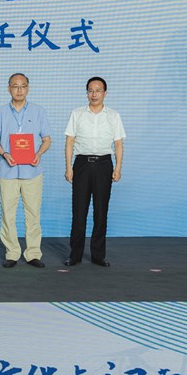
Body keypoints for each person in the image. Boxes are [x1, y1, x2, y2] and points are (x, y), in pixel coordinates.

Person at [0, 73, 52, 268]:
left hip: (32, 171)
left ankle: (33, 253)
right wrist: (5, 153)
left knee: (33, 213)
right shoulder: (0, 112)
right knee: (8, 213)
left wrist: (39, 153)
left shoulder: (38, 111)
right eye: (15, 86)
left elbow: (47, 139)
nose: (19, 90)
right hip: (8, 171)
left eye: (23, 86)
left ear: (28, 88)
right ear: (8, 89)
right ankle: (12, 252)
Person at [64, 76, 125, 267]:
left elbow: (118, 143)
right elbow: (70, 141)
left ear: (105, 93)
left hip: (104, 164)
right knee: (79, 211)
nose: (94, 94)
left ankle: (98, 255)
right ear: (87, 93)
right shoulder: (77, 113)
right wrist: (68, 167)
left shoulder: (113, 115)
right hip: (81, 164)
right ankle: (75, 255)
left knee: (100, 211)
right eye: (90, 90)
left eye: (98, 90)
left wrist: (118, 167)